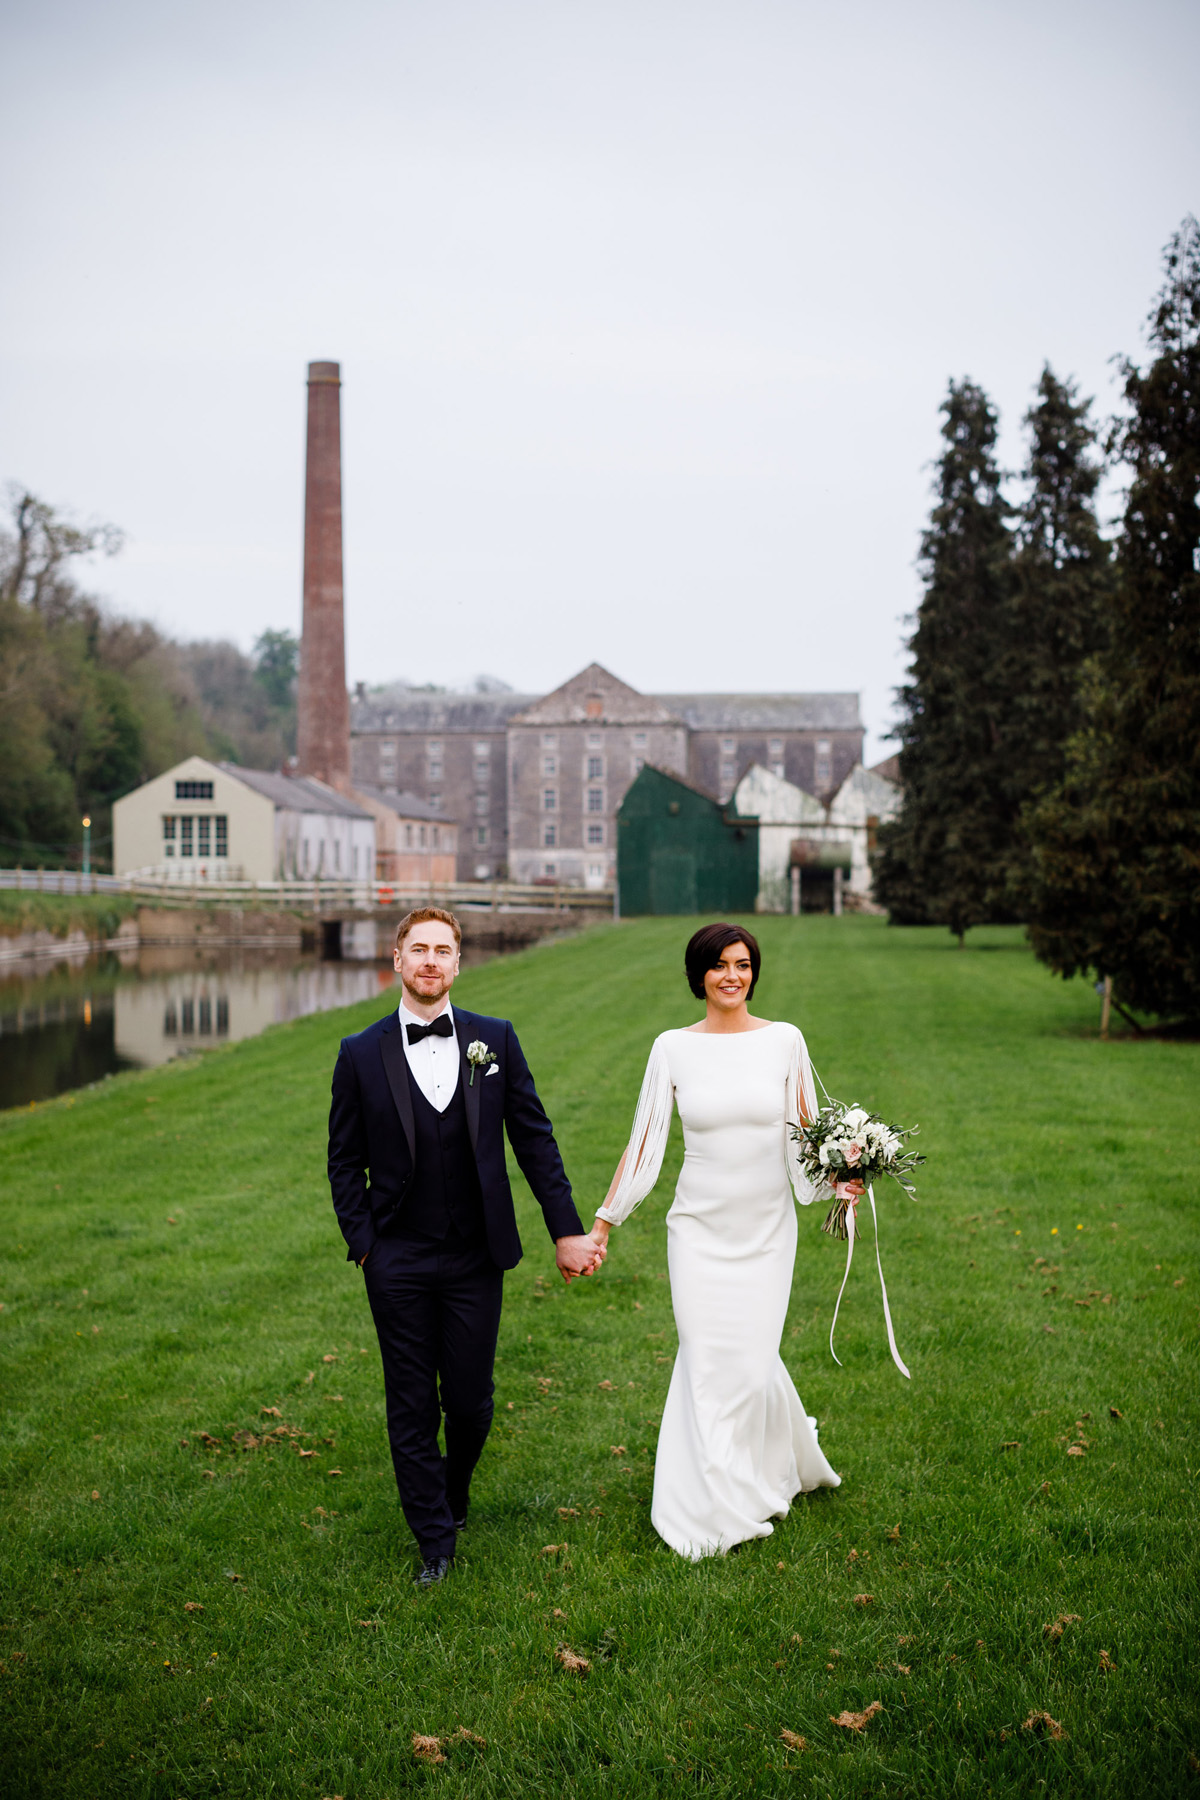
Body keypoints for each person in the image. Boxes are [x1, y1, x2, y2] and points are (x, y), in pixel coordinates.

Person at [327, 906, 606, 1586]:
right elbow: (343, 1160)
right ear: (396, 961)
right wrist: (364, 1242)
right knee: (411, 1400)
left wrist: (566, 1229)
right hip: (395, 1257)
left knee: (473, 1400)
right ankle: (435, 1543)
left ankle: (453, 1492)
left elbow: (535, 1140)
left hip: (476, 1254)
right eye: (417, 948)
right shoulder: (360, 1053)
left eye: (442, 949)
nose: (429, 960)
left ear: (459, 963)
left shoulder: (495, 1041)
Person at [589, 922, 862, 1560]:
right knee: (708, 1361)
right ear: (699, 976)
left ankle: (768, 1466)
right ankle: (710, 1502)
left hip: (767, 1233)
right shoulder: (671, 1049)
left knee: (752, 1361)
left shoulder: (786, 1041)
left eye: (741, 964)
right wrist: (605, 1221)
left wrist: (837, 1183)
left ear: (753, 971)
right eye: (718, 966)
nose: (731, 975)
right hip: (698, 1232)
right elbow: (646, 1143)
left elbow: (803, 1139)